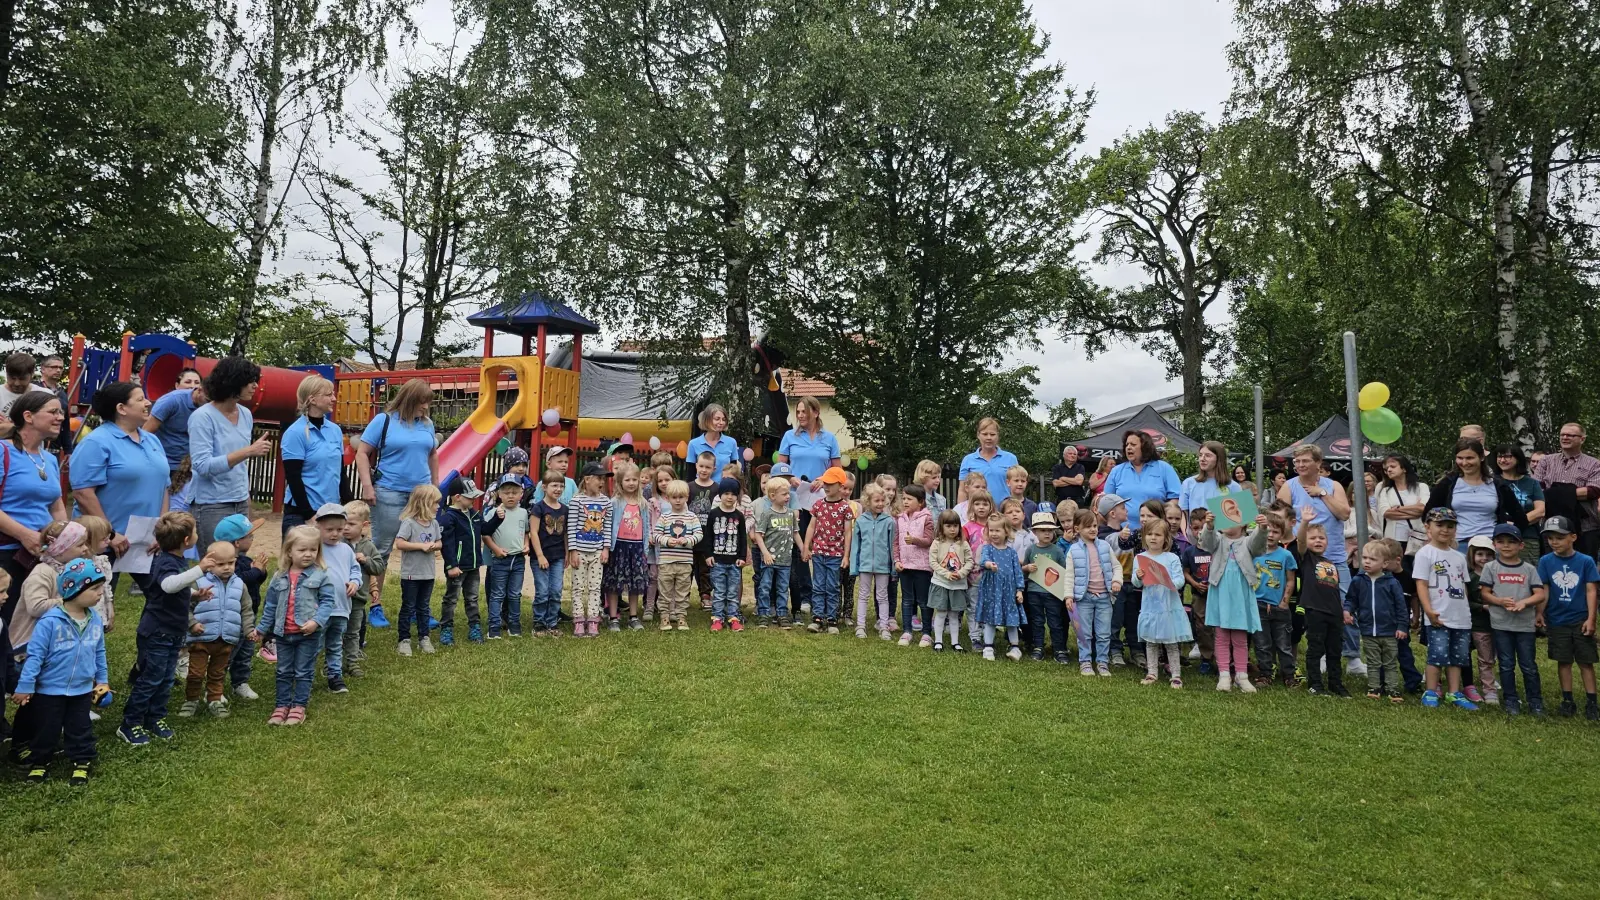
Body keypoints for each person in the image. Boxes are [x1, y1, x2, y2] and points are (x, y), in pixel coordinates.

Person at [120, 512, 218, 746]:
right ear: (186, 540)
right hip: (156, 633)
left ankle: (155, 717)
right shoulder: (166, 562)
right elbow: (167, 585)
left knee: (164, 679)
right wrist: (200, 570)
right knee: (151, 679)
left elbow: (171, 589)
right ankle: (130, 723)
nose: (196, 535)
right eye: (194, 532)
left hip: (173, 632)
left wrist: (195, 594)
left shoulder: (174, 559)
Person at [12, 558, 109, 785]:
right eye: (95, 588)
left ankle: (82, 760)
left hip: (82, 689)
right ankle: (40, 761)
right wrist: (26, 686)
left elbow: (100, 651)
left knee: (80, 727)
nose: (100, 593)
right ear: (74, 590)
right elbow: (35, 656)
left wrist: (102, 680)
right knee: (47, 728)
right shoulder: (49, 622)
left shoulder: (94, 619)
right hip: (49, 691)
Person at [1277, 443, 1361, 677]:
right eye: (1297, 462)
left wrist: (1321, 494)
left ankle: (1353, 657)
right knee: (1306, 609)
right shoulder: (1289, 486)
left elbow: (1344, 513)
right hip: (1301, 557)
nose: (1300, 465)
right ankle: (1312, 654)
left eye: (1305, 461)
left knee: (1345, 605)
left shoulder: (1333, 486)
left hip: (1333, 556)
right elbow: (1280, 518)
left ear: (1318, 462)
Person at [0, 391, 69, 668]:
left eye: (60, 412)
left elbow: (56, 506)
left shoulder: (49, 459)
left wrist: (65, 537)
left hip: (41, 556)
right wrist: (24, 534)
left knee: (36, 621)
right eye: (53, 411)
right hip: (6, 554)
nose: (60, 416)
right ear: (28, 416)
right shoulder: (3, 451)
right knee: (6, 621)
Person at [356, 378, 440, 598]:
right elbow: (362, 453)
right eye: (422, 402)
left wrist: (435, 487)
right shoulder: (383, 421)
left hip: (421, 496)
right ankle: (374, 602)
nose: (425, 407)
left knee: (422, 548)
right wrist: (367, 486)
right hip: (388, 492)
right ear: (409, 399)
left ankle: (415, 607)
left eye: (427, 403)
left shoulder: (427, 424)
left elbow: (432, 454)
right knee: (381, 550)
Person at [69, 382, 169, 557]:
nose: (148, 403)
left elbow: (163, 486)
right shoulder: (96, 442)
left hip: (147, 541)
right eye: (140, 399)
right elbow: (83, 493)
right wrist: (109, 533)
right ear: (122, 408)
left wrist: (163, 528)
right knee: (100, 585)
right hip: (104, 542)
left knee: (166, 584)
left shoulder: (152, 440)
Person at [250, 524, 336, 726]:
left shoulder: (320, 575)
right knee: (283, 670)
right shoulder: (279, 576)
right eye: (302, 549)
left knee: (303, 671)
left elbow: (327, 602)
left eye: (313, 550)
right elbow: (270, 605)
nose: (308, 554)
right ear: (289, 551)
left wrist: (316, 622)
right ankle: (281, 706)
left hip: (307, 635)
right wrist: (262, 629)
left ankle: (299, 706)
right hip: (282, 634)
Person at [185, 356, 271, 548]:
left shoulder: (246, 414)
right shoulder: (202, 417)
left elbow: (239, 466)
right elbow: (202, 466)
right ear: (233, 382)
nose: (255, 386)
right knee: (215, 565)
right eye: (250, 381)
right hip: (211, 505)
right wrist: (248, 451)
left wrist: (245, 496)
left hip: (239, 501)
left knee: (238, 562)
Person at [1412, 508, 1479, 711]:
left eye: (1450, 526)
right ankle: (1431, 690)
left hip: (1460, 617)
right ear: (1428, 527)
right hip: (1438, 615)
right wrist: (1428, 610)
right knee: (1437, 655)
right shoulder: (1425, 554)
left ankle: (1454, 692)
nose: (1445, 530)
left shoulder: (1459, 557)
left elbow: (1464, 586)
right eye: (1439, 525)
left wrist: (1466, 610)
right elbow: (1421, 584)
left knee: (1458, 657)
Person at [1197, 507, 1267, 693]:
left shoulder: (1247, 541)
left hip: (1240, 595)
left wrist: (1262, 529)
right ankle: (1224, 675)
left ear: (1243, 523)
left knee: (1239, 637)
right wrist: (1209, 526)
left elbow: (1258, 545)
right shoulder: (1218, 540)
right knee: (1221, 636)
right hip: (1220, 593)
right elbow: (1206, 542)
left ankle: (1242, 676)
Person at [1535, 515, 1599, 719]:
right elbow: (1544, 588)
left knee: (1585, 661)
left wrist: (1591, 618)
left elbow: (1591, 590)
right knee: (1563, 661)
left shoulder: (1585, 561)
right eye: (1550, 538)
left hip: (1580, 619)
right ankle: (1567, 700)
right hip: (1557, 619)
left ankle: (1592, 702)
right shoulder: (1545, 561)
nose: (1554, 542)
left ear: (1573, 537)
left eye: (1559, 537)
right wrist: (1540, 612)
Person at [1481, 524, 1546, 717]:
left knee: (1528, 665)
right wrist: (1499, 601)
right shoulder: (1490, 567)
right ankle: (1511, 700)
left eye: (1511, 542)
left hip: (1525, 625)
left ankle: (1535, 701)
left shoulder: (1529, 569)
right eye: (1501, 542)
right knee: (1506, 664)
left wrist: (1525, 603)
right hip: (1501, 624)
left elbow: (1540, 593)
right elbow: (1485, 593)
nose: (1506, 546)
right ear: (1494, 545)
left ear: (1521, 545)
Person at [1422, 439, 1528, 551]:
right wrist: (1436, 536)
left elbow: (1520, 518)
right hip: (1457, 544)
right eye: (1460, 458)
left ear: (1481, 457)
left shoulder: (1498, 485)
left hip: (1490, 545)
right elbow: (1428, 513)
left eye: (1469, 458)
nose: (1464, 463)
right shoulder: (1448, 483)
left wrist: (1508, 539)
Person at [180, 541, 246, 718]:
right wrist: (192, 623)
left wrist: (249, 629)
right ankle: (191, 699)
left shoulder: (239, 584)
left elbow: (246, 609)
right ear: (209, 562)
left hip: (226, 638)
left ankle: (214, 699)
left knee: (218, 673)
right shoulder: (198, 582)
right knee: (195, 673)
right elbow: (185, 606)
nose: (226, 568)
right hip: (201, 638)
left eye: (230, 563)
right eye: (220, 564)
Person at [1345, 540, 1408, 701]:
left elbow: (1401, 607)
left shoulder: (1392, 583)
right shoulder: (1358, 581)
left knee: (1390, 662)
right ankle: (1374, 687)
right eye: (1365, 557)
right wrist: (1347, 611)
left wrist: (1402, 626)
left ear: (1384, 563)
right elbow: (1351, 599)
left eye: (1372, 559)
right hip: (1368, 631)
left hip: (1389, 631)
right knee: (1372, 662)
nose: (1366, 562)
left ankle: (1392, 688)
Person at [213, 514, 268, 699]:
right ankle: (215, 688)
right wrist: (255, 570)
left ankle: (240, 682)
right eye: (249, 536)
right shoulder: (227, 566)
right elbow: (239, 581)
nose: (252, 539)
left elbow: (255, 582)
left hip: (248, 616)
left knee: (246, 653)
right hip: (232, 619)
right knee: (227, 653)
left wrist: (261, 572)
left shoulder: (244, 560)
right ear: (237, 542)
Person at [280, 375, 343, 533]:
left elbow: (341, 472)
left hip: (331, 511)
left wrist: (348, 507)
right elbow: (293, 477)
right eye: (329, 395)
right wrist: (308, 515)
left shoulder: (335, 430)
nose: (334, 398)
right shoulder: (295, 433)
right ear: (312, 399)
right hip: (302, 513)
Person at [1133, 519, 1191, 687]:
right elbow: (1136, 583)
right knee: (1151, 642)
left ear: (1165, 538)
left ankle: (1176, 674)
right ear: (1144, 537)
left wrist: (1169, 582)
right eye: (1149, 534)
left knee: (1171, 642)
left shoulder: (1171, 558)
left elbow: (1180, 580)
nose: (1153, 538)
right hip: (1150, 606)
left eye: (1157, 534)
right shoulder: (1140, 557)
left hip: (1168, 605)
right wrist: (1138, 576)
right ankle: (1152, 673)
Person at [311, 504, 360, 693]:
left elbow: (354, 570)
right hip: (318, 609)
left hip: (341, 607)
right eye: (329, 530)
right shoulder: (314, 549)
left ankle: (335, 677)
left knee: (335, 644)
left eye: (339, 529)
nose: (335, 534)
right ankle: (303, 673)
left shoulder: (346, 550)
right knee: (314, 645)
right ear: (318, 527)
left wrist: (355, 582)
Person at [1534, 422, 1600, 558]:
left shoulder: (1594, 464)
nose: (1565, 437)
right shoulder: (1546, 461)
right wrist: (1572, 492)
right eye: (1562, 434)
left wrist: (1553, 492)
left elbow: (1593, 492)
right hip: (1551, 525)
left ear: (1582, 439)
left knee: (1585, 570)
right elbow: (1537, 490)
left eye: (1570, 435)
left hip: (1585, 527)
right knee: (1551, 568)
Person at [391, 484, 443, 657]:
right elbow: (399, 543)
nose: (438, 506)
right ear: (424, 503)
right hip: (411, 575)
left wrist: (434, 546)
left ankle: (424, 637)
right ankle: (404, 640)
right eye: (435, 503)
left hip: (428, 574)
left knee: (424, 607)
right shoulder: (409, 523)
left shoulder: (434, 523)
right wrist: (421, 546)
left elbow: (439, 542)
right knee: (408, 606)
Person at [1068, 508, 1119, 676]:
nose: (1093, 529)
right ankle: (1085, 662)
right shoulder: (1073, 550)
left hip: (1104, 597)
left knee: (1104, 632)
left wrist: (1116, 581)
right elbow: (1069, 575)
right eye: (1088, 526)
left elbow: (1116, 566)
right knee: (1084, 632)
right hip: (1084, 598)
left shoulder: (1105, 546)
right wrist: (1068, 595)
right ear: (1077, 529)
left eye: (1095, 526)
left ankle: (1102, 662)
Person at [803, 466, 854, 634]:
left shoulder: (845, 508)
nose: (826, 486)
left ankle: (832, 619)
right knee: (818, 585)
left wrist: (846, 556)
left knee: (832, 586)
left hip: (836, 554)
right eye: (825, 482)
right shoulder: (818, 505)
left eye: (831, 483)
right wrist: (806, 546)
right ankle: (817, 618)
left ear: (840, 485)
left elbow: (848, 532)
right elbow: (811, 526)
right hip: (818, 552)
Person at [603, 461, 653, 631]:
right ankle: (613, 617)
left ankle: (633, 616)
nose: (631, 483)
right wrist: (608, 547)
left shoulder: (643, 503)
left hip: (637, 548)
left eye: (634, 480)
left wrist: (645, 549)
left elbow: (646, 526)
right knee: (615, 583)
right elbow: (609, 525)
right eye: (627, 480)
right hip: (619, 548)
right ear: (619, 482)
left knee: (635, 584)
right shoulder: (614, 502)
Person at [566, 463, 614, 638]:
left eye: (603, 479)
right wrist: (573, 551)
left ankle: (593, 620)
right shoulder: (576, 501)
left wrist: (606, 549)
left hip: (597, 552)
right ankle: (579, 621)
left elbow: (607, 526)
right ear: (587, 480)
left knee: (595, 587)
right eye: (598, 478)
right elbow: (571, 527)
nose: (602, 482)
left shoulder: (606, 502)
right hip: (580, 550)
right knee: (578, 587)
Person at [1250, 512, 1297, 688]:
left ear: (1282, 535)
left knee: (1284, 644)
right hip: (1257, 605)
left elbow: (1291, 579)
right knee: (1262, 644)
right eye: (1267, 531)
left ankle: (1289, 675)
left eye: (1275, 532)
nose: (1270, 535)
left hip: (1279, 606)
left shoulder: (1286, 556)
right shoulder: (1253, 552)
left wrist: (1285, 601)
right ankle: (1265, 674)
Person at [340, 502, 384, 678]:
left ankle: (351, 662)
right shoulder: (338, 544)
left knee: (353, 632)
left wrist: (366, 560)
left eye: (351, 524)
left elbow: (379, 567)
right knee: (335, 632)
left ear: (364, 525)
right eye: (343, 523)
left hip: (357, 599)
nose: (345, 528)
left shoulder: (368, 546)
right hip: (338, 598)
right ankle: (333, 664)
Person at [482, 477, 529, 639]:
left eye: (515, 492)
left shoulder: (523, 513)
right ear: (499, 494)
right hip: (500, 559)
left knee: (515, 594)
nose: (511, 496)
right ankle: (493, 627)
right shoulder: (494, 513)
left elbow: (526, 532)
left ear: (521, 494)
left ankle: (514, 625)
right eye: (506, 492)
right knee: (497, 594)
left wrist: (526, 545)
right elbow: (485, 534)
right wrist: (495, 550)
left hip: (518, 560)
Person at [439, 478, 485, 645]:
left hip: (473, 566)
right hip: (457, 567)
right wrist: (451, 565)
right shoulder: (448, 518)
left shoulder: (474, 514)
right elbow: (447, 545)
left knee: (472, 598)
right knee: (451, 598)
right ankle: (446, 629)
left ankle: (474, 627)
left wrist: (498, 519)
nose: (474, 500)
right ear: (457, 497)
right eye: (470, 497)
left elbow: (486, 530)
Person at [975, 514, 1025, 661]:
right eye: (991, 530)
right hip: (991, 590)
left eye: (998, 530)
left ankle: (1015, 647)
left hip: (1009, 591)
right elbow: (983, 561)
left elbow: (1018, 572)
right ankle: (988, 646)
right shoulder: (988, 549)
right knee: (990, 617)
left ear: (1006, 532)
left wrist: (1020, 589)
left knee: (1011, 618)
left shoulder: (1011, 552)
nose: (994, 534)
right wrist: (989, 565)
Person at [652, 479, 700, 631]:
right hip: (666, 561)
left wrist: (688, 540)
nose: (678, 500)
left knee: (682, 591)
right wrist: (666, 540)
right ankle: (664, 617)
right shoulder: (665, 517)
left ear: (687, 497)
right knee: (665, 591)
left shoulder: (692, 517)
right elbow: (656, 535)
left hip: (685, 562)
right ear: (668, 498)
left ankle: (681, 617)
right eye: (674, 497)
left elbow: (699, 534)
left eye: (681, 497)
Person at [1020, 512, 1068, 663]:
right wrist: (1027, 567)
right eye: (1042, 530)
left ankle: (1059, 648)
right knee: (1037, 620)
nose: (1047, 533)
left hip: (1052, 593)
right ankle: (1038, 646)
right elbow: (1023, 571)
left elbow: (1063, 570)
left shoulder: (1057, 551)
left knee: (1055, 621)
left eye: (1050, 530)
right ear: (1035, 532)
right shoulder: (1031, 550)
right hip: (1034, 592)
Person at [848, 483, 894, 639]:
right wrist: (854, 567)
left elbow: (892, 546)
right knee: (863, 595)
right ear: (868, 502)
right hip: (865, 565)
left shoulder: (889, 521)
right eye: (876, 501)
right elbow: (856, 546)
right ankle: (860, 626)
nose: (880, 504)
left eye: (882, 500)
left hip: (883, 566)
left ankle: (884, 626)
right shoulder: (861, 521)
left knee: (882, 597)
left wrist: (893, 567)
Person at [751, 473, 796, 630]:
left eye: (788, 493)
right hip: (769, 559)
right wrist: (765, 553)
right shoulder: (767, 514)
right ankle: (763, 614)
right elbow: (758, 534)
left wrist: (804, 549)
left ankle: (782, 614)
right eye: (784, 494)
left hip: (785, 560)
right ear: (772, 496)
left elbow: (795, 533)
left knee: (783, 587)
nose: (787, 496)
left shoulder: (791, 514)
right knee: (765, 586)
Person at [142, 367, 206, 474]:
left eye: (197, 382)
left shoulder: (206, 403)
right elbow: (146, 432)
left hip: (192, 464)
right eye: (188, 382)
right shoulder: (170, 401)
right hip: (165, 463)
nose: (192, 386)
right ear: (177, 386)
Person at [706, 476, 750, 632]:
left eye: (733, 494)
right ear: (720, 495)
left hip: (734, 562)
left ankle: (733, 617)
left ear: (737, 496)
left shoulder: (739, 516)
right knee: (718, 592)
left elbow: (743, 539)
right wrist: (709, 554)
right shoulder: (713, 514)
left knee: (732, 592)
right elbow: (708, 536)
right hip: (717, 561)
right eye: (726, 493)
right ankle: (717, 618)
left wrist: (742, 557)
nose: (729, 497)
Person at [529, 471, 568, 637]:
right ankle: (539, 622)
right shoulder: (538, 508)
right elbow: (533, 532)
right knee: (543, 591)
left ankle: (552, 622)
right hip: (541, 557)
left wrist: (567, 553)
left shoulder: (565, 509)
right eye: (554, 485)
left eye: (561, 486)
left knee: (556, 590)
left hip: (558, 556)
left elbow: (565, 534)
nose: (558, 489)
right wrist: (539, 555)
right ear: (544, 487)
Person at [928, 511, 974, 651]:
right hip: (941, 583)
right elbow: (933, 562)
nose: (953, 529)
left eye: (955, 526)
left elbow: (970, 561)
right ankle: (938, 641)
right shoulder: (937, 543)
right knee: (941, 612)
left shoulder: (963, 544)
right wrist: (946, 574)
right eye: (948, 526)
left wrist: (961, 573)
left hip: (958, 585)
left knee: (954, 614)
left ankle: (955, 642)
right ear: (941, 527)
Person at [895, 485, 934, 646]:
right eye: (904, 498)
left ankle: (926, 633)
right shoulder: (900, 518)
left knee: (924, 601)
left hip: (922, 567)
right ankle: (907, 631)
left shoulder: (927, 518)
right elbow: (896, 543)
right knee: (906, 600)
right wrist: (897, 560)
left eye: (909, 499)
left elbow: (929, 540)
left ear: (920, 502)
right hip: (905, 567)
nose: (905, 502)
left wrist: (915, 541)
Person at [1181, 507, 1216, 676]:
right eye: (1195, 528)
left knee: (1219, 626)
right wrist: (1195, 584)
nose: (1199, 531)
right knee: (1202, 626)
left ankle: (1222, 657)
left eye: (1203, 527)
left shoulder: (1216, 549)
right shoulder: (1189, 551)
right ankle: (1206, 658)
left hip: (1217, 593)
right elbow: (1185, 571)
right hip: (1199, 595)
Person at [1495, 445, 1545, 560]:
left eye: (1507, 457)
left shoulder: (1531, 482)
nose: (1502, 460)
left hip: (1527, 537)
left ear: (1518, 458)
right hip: (1498, 538)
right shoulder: (1491, 481)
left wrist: (1516, 524)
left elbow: (1540, 511)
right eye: (1499, 457)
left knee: (1527, 575)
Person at [1178, 441, 1244, 522]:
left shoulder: (1234, 486)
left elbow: (1241, 520)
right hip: (1195, 533)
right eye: (1200, 455)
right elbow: (1183, 515)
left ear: (1219, 459)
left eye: (1208, 456)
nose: (1202, 459)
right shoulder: (1188, 483)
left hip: (1222, 533)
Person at [958, 418, 1018, 504]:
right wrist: (961, 513)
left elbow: (1017, 488)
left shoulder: (1011, 459)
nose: (989, 437)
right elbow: (962, 490)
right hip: (977, 513)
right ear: (978, 435)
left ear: (998, 436)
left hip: (1004, 513)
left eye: (992, 434)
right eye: (985, 434)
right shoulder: (968, 460)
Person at [0, 352, 52, 438]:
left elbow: (51, 433)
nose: (16, 383)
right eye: (12, 378)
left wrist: (11, 427)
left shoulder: (44, 395)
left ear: (32, 374)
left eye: (22, 379)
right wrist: (33, 425)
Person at [687, 404, 742, 475]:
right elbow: (690, 475)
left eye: (724, 419)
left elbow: (734, 473)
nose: (721, 422)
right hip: (700, 486)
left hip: (724, 485)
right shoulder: (693, 444)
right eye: (717, 419)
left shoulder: (731, 442)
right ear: (707, 420)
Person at [36, 355, 72, 451]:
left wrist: (68, 450)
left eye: (61, 367)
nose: (58, 370)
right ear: (43, 369)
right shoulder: (34, 389)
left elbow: (65, 424)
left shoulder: (62, 393)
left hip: (54, 449)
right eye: (54, 367)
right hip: (35, 445)